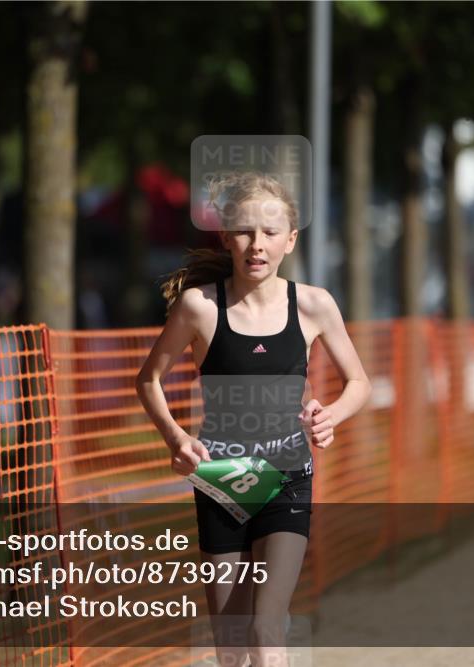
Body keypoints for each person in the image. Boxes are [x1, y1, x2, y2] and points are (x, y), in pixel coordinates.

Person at [136, 171, 370, 667]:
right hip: (221, 481)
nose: (256, 244)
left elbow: (359, 383)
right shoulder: (199, 308)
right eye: (243, 231)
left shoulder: (313, 304)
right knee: (232, 648)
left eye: (269, 232)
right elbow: (148, 380)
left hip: (287, 477)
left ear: (291, 238)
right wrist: (175, 437)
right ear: (225, 237)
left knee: (267, 626)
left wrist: (331, 416)